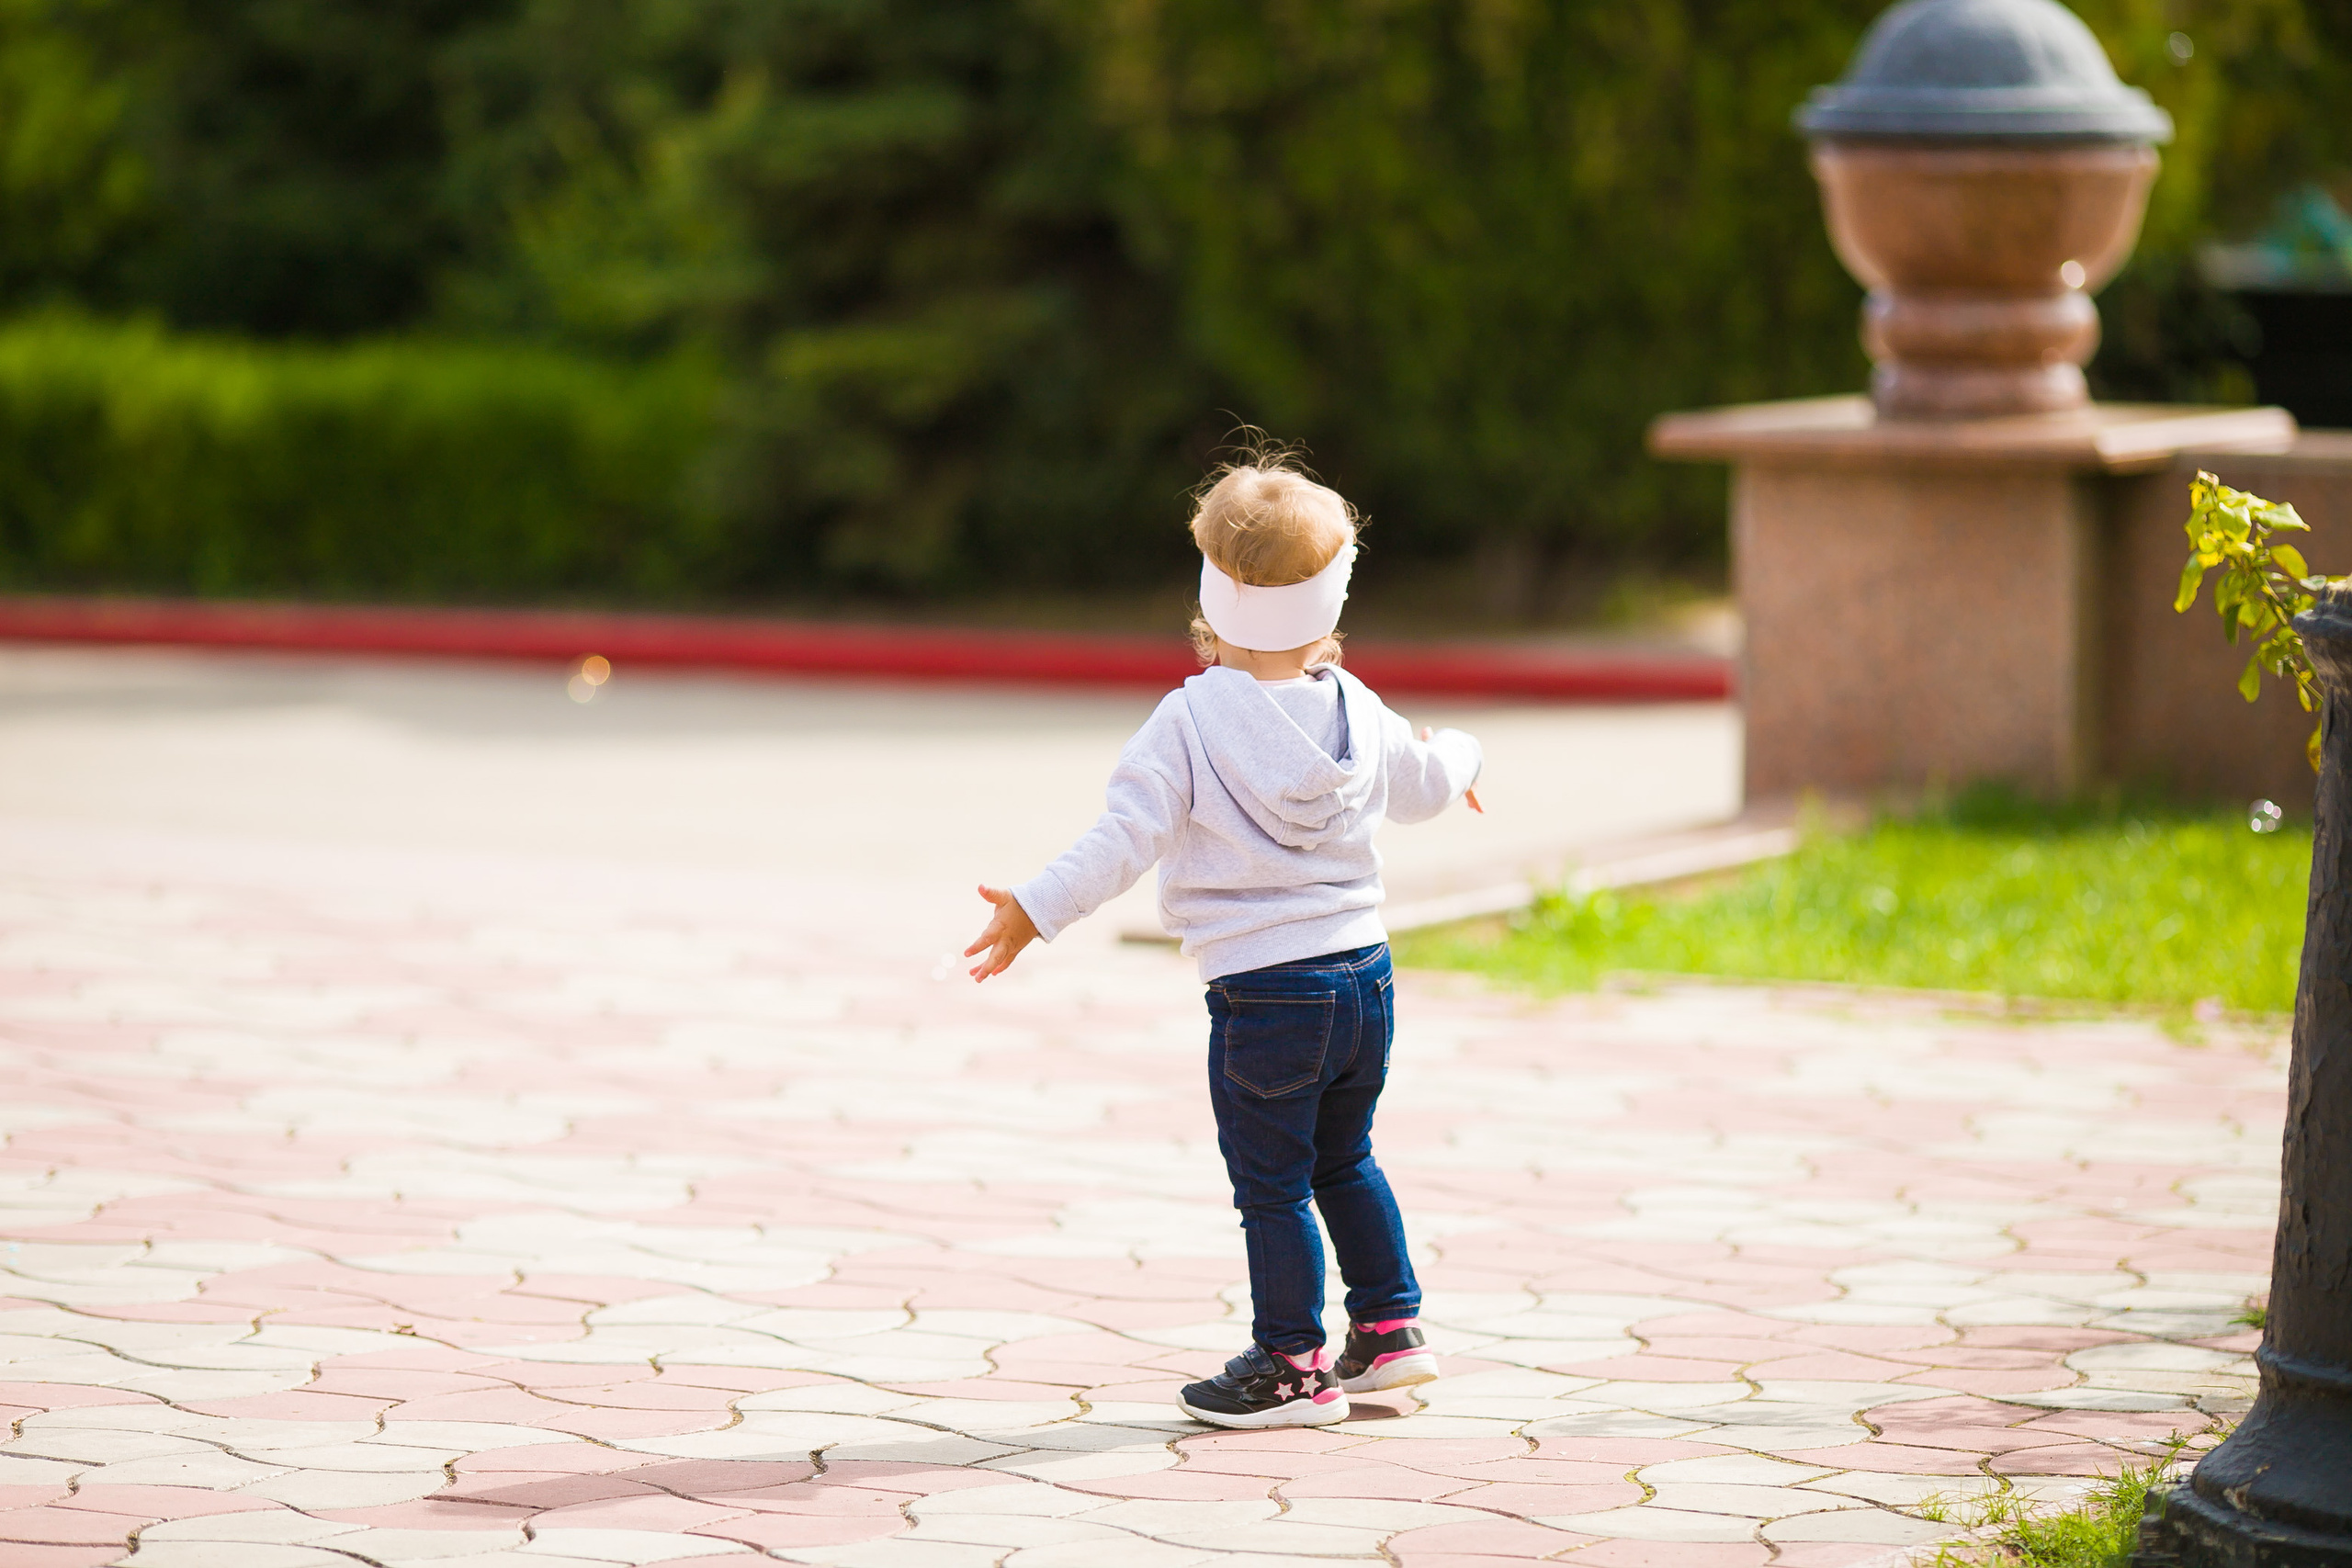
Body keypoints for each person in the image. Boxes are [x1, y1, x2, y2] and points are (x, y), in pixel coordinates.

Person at [961, 446, 1485, 1429]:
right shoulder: (1360, 710)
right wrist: (1465, 756)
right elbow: (1424, 781)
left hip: (1266, 995)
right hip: (1364, 980)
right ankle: (1389, 1331)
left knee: (1272, 1184)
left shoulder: (1188, 724)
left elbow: (1124, 839)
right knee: (1347, 1157)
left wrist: (1036, 907)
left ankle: (1290, 1363)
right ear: (1330, 602)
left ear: (1215, 588)